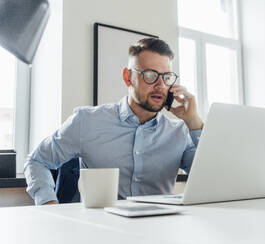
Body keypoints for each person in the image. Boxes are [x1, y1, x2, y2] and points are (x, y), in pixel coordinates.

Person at [24, 38, 203, 205]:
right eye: (150, 75)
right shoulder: (86, 121)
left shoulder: (180, 132)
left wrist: (193, 121)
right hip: (101, 231)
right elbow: (37, 160)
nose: (160, 85)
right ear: (128, 77)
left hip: (159, 230)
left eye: (166, 77)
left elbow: (210, 178)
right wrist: (49, 203)